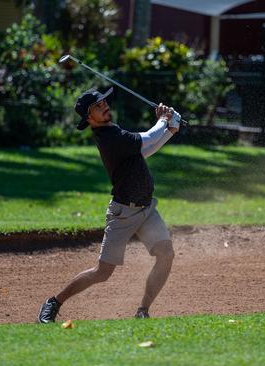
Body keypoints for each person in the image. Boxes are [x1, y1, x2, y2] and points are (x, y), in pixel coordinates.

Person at [37, 86, 181, 322]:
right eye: (97, 106)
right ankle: (53, 302)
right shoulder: (109, 138)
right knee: (102, 272)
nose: (105, 106)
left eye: (104, 102)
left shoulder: (113, 130)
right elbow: (145, 140)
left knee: (166, 254)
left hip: (146, 208)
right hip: (123, 213)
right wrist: (164, 121)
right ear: (89, 118)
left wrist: (170, 130)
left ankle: (143, 311)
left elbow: (144, 151)